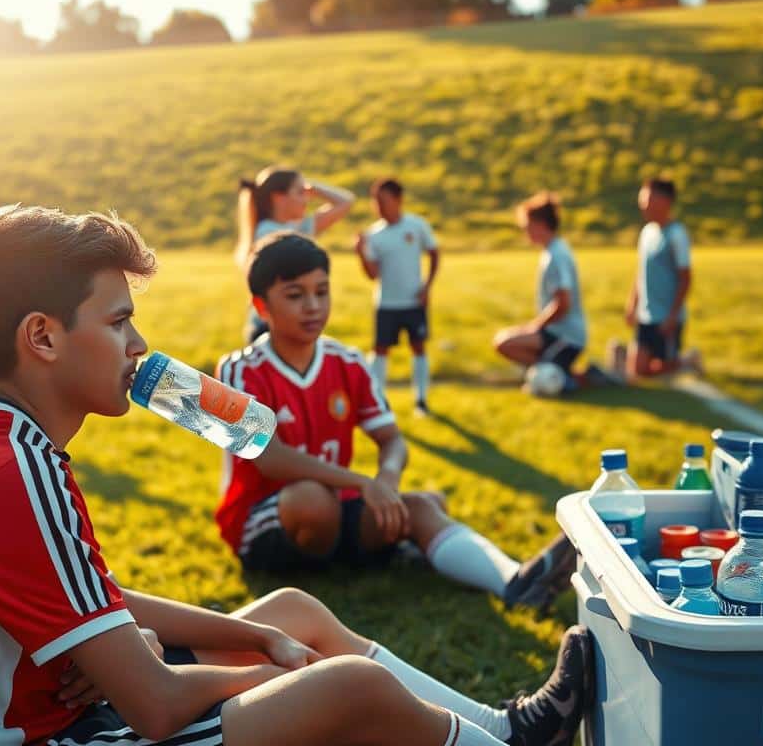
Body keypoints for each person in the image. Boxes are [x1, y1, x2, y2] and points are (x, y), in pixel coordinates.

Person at [0, 204, 591, 746]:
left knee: (293, 612)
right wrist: (281, 664)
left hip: (57, 714)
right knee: (348, 687)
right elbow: (155, 704)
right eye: (119, 323)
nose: (141, 346)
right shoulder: (13, 471)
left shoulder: (2, 440)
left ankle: (511, 732)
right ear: (42, 338)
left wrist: (262, 637)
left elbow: (97, 599)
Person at [216, 232, 574, 611]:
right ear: (261, 305)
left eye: (322, 291)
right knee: (312, 499)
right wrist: (362, 483)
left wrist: (385, 480)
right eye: (295, 295)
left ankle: (516, 582)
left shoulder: (348, 361)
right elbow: (267, 456)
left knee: (421, 506)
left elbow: (392, 440)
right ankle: (396, 551)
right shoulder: (240, 369)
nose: (313, 306)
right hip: (267, 521)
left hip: (335, 508)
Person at [235, 166, 354, 343]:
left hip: (291, 322)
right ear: (278, 197)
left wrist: (312, 187)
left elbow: (346, 202)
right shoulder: (267, 234)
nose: (306, 198)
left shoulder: (298, 229)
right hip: (269, 327)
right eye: (300, 192)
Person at [353, 177, 439, 416]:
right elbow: (373, 274)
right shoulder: (373, 235)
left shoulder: (416, 225)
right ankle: (377, 400)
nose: (378, 206)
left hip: (413, 301)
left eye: (383, 200)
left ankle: (421, 400)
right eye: (375, 201)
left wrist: (427, 286)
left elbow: (434, 253)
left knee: (418, 347)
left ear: (398, 200)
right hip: (387, 303)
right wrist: (361, 253)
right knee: (380, 349)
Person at [492, 192, 589, 391]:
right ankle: (556, 374)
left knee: (505, 343)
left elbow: (563, 303)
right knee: (503, 339)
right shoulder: (552, 251)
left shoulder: (557, 255)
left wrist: (535, 326)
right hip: (554, 331)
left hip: (566, 336)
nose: (525, 231)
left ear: (541, 224)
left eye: (527, 226)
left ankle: (563, 377)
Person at [623, 177, 702, 378]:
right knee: (637, 371)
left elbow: (685, 278)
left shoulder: (676, 234)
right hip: (646, 315)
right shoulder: (647, 233)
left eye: (647, 200)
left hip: (666, 317)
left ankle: (687, 361)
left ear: (664, 201)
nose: (643, 206)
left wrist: (673, 315)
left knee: (663, 367)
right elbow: (641, 272)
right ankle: (682, 360)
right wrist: (633, 304)